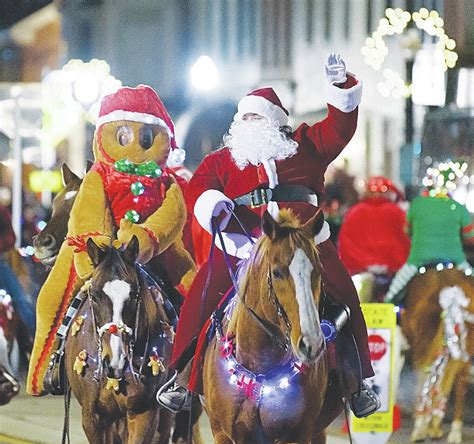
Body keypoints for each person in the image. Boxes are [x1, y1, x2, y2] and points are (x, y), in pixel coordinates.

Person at [158, 54, 380, 418]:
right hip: (243, 247)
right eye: (244, 117)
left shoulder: (306, 145)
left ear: (275, 122)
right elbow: (197, 189)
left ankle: (358, 384)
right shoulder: (223, 160)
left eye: (256, 117)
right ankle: (182, 378)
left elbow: (341, 128)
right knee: (202, 296)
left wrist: (339, 88)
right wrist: (213, 204)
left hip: (307, 247)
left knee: (345, 296)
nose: (249, 123)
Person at [27, 85, 196, 395]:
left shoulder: (165, 180)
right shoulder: (100, 175)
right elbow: (89, 209)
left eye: (145, 137)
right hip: (98, 249)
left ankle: (192, 373)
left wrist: (146, 237)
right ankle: (48, 365)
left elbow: (173, 215)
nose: (133, 144)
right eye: (122, 136)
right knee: (51, 298)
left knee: (195, 294)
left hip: (152, 251)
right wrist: (97, 244)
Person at [384, 165, 474, 303]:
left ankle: (388, 306)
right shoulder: (458, 208)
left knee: (394, 291)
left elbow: (407, 230)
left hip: (418, 259)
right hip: (455, 259)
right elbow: (470, 237)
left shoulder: (417, 204)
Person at [338, 176, 410, 276]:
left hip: (359, 270)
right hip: (393, 270)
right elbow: (406, 239)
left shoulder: (354, 212)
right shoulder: (396, 212)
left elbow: (345, 243)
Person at [0, 205, 36, 339]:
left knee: (20, 299)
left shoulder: (1, 211)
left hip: (0, 263)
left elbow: (11, 237)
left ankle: (33, 340)